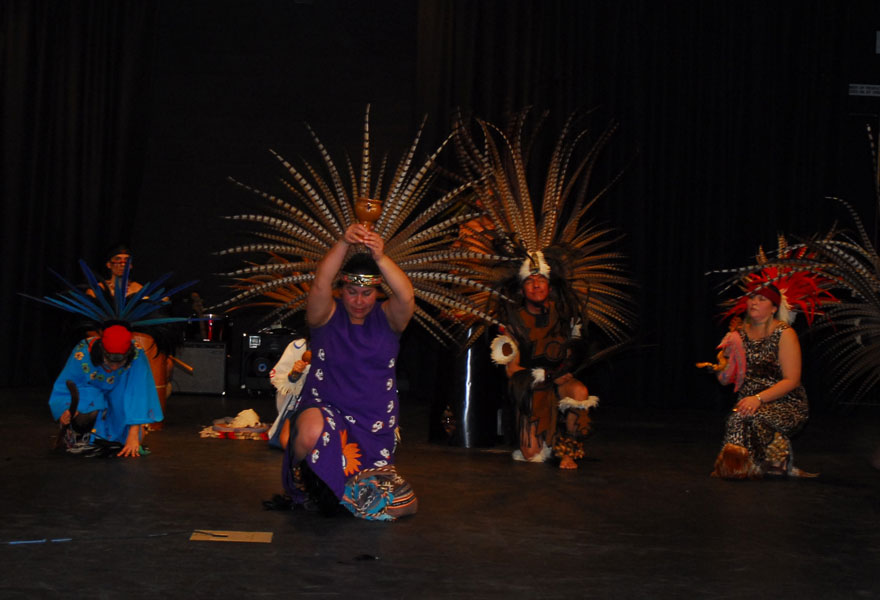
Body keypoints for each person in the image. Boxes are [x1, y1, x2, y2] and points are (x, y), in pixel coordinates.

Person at [281, 223, 418, 520]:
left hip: (373, 422)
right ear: (341, 289)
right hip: (326, 408)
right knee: (310, 433)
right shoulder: (325, 316)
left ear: (377, 292)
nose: (359, 301)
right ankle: (312, 486)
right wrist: (344, 242)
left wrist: (380, 257)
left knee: (403, 503)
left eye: (367, 293)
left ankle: (345, 494)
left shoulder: (389, 319)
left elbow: (406, 296)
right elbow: (319, 284)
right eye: (352, 292)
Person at [491, 252, 599, 470]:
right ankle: (544, 438)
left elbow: (572, 353)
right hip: (531, 389)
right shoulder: (513, 322)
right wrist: (545, 377)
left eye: (541, 279)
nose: (536, 285)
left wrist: (565, 370)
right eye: (530, 281)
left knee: (579, 392)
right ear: (522, 289)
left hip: (559, 382)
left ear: (550, 286)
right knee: (531, 454)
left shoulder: (564, 314)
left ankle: (567, 450)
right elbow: (512, 371)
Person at [707, 285, 814, 479]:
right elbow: (725, 381)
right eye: (752, 298)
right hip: (749, 401)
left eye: (761, 299)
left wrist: (758, 398)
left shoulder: (784, 333)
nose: (754, 302)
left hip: (786, 402)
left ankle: (765, 462)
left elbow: (792, 380)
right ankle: (743, 467)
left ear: (774, 308)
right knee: (737, 419)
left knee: (753, 418)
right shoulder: (738, 334)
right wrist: (720, 366)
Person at [49, 324, 163, 458]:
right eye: (109, 362)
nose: (114, 367)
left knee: (133, 437)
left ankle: (115, 434)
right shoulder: (83, 351)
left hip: (120, 393)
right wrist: (66, 408)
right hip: (90, 393)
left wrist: (133, 435)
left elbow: (138, 393)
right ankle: (80, 435)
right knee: (84, 405)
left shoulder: (137, 354)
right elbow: (68, 384)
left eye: (119, 363)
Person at [267, 337, 310, 449]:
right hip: (299, 403)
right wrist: (295, 373)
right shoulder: (298, 347)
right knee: (286, 441)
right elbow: (278, 377)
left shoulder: (342, 346)